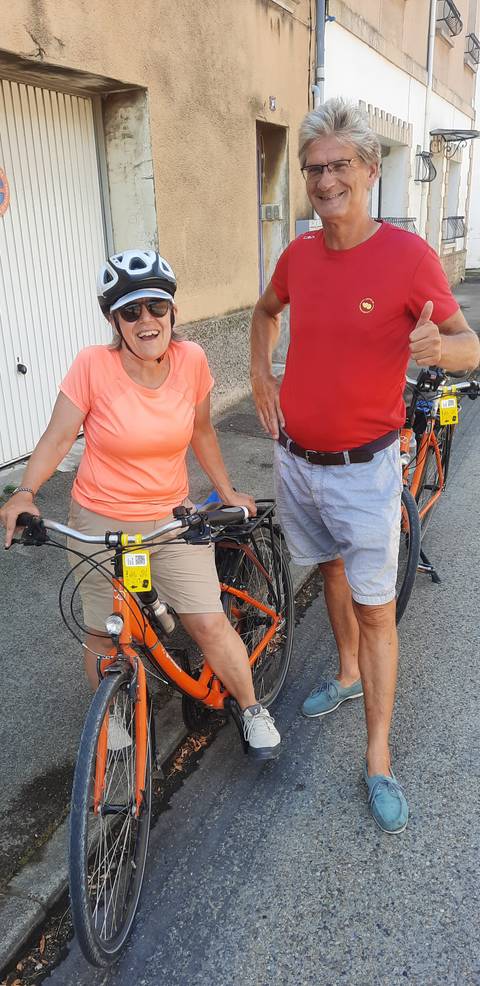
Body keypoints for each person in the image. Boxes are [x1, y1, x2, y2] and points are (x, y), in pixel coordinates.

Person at [250, 98, 479, 830]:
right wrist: (259, 375)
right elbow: (265, 311)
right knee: (330, 571)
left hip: (365, 468)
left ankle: (377, 759)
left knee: (378, 610)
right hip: (296, 463)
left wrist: (442, 350)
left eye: (339, 165)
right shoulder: (297, 255)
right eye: (314, 168)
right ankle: (345, 675)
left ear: (370, 170)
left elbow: (470, 342)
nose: (324, 180)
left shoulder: (408, 259)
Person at [1, 249, 281, 760]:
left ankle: (252, 706)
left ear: (172, 311)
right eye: (131, 311)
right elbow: (59, 436)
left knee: (207, 623)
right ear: (115, 320)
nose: (145, 320)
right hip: (101, 520)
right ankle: (116, 718)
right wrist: (25, 493)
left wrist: (227, 487)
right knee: (105, 634)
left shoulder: (192, 359)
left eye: (155, 306)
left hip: (171, 519)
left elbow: (201, 431)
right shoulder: (92, 365)